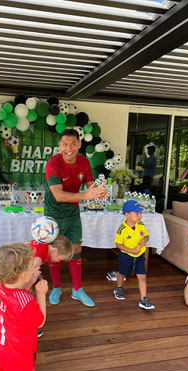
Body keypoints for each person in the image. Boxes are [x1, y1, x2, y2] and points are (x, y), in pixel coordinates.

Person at [44, 128, 107, 307]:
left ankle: (77, 290)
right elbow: (59, 195)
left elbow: (90, 184)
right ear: (59, 146)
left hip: (72, 212)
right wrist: (87, 196)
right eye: (64, 144)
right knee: (54, 252)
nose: (69, 148)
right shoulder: (53, 164)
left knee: (76, 248)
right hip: (54, 212)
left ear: (79, 144)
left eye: (73, 144)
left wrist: (98, 191)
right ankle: (56, 286)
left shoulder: (84, 163)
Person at [0, 243, 48, 371]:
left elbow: (15, 295)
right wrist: (40, 294)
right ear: (22, 274)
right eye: (31, 266)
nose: (34, 268)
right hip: (19, 354)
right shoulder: (26, 300)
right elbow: (39, 321)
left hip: (1, 350)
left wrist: (29, 282)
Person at [27, 235, 74, 337]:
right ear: (55, 251)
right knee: (26, 299)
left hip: (12, 268)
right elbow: (33, 267)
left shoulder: (42, 243)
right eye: (60, 259)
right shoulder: (41, 255)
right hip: (16, 278)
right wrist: (31, 287)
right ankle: (30, 326)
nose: (58, 261)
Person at [113, 200, 155, 310]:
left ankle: (143, 299)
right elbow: (118, 244)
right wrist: (132, 251)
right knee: (122, 273)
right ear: (127, 215)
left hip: (140, 255)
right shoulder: (122, 230)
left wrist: (144, 241)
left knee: (142, 276)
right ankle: (118, 288)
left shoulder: (141, 225)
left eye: (141, 213)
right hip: (126, 256)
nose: (140, 216)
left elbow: (146, 236)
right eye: (137, 213)